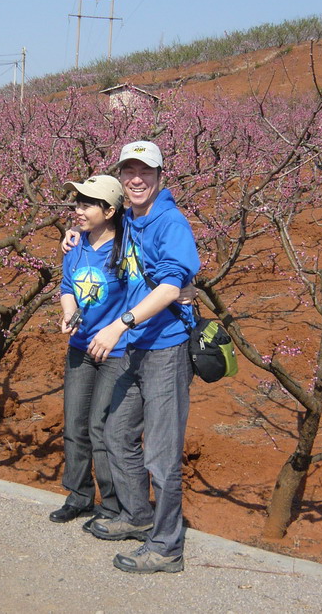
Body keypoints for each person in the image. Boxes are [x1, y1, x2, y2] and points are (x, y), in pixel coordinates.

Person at [84, 141, 201, 574]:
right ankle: (137, 516)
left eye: (145, 171)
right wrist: (74, 232)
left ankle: (167, 547)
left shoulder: (170, 221)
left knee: (162, 456)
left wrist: (121, 324)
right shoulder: (133, 218)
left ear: (160, 175)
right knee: (116, 433)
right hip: (138, 347)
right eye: (128, 171)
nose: (136, 178)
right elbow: (101, 227)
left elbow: (171, 286)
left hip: (165, 350)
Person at [49, 175, 126, 531]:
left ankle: (111, 504)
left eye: (86, 204)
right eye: (76, 203)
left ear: (109, 211)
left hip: (116, 351)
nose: (77, 211)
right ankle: (79, 496)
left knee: (101, 428)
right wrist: (68, 313)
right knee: (75, 426)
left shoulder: (126, 249)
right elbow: (67, 287)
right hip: (80, 347)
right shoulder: (74, 245)